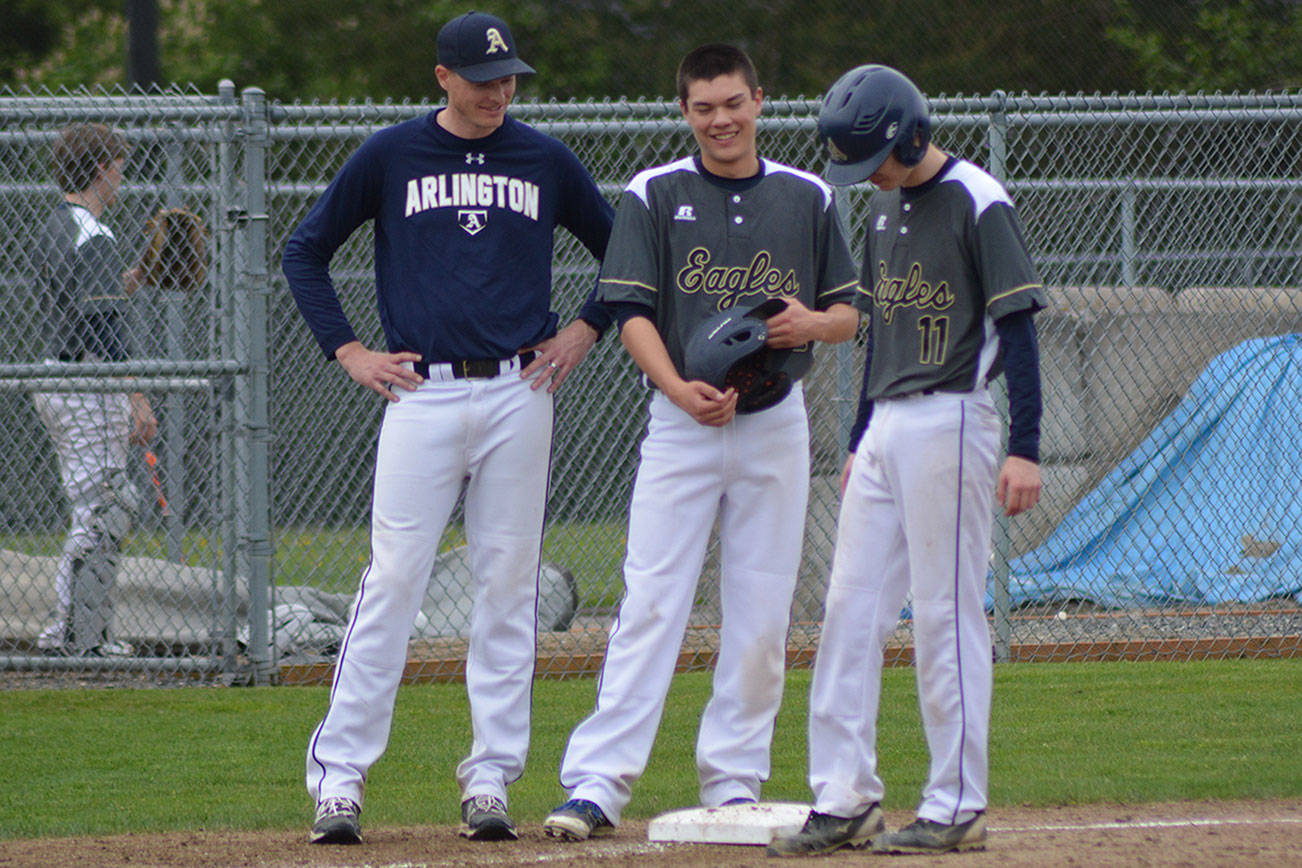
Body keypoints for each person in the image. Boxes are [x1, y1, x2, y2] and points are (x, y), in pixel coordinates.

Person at [281, 11, 615, 846]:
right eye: (481, 78)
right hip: (421, 393)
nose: (499, 91)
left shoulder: (542, 158)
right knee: (393, 580)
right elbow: (305, 249)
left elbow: (626, 250)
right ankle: (341, 780)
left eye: (507, 78)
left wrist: (585, 327)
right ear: (442, 77)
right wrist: (349, 350)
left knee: (509, 584)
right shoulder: (393, 154)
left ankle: (491, 777)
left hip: (518, 389)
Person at [543, 43, 861, 842]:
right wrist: (679, 388)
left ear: (760, 100)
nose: (721, 120)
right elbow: (631, 310)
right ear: (684, 112)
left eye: (733, 103)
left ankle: (734, 782)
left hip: (775, 422)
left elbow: (849, 311)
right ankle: (597, 785)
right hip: (680, 425)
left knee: (761, 613)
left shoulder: (807, 195)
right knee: (651, 602)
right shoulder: (654, 192)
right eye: (703, 107)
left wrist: (809, 324)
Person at [767, 65, 1045, 858]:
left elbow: (1018, 327)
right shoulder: (886, 207)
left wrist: (1025, 446)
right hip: (889, 426)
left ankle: (956, 803)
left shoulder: (978, 199)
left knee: (946, 612)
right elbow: (882, 331)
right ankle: (845, 797)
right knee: (849, 611)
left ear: (913, 133)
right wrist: (861, 437)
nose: (871, 177)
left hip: (954, 417)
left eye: (877, 159)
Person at [33, 123, 158, 658]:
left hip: (58, 377)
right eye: (119, 165)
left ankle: (84, 628)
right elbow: (104, 329)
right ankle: (74, 631)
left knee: (96, 504)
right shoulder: (96, 234)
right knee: (103, 506)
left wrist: (138, 275)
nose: (122, 176)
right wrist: (136, 397)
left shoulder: (55, 228)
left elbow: (84, 301)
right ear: (103, 168)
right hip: (86, 382)